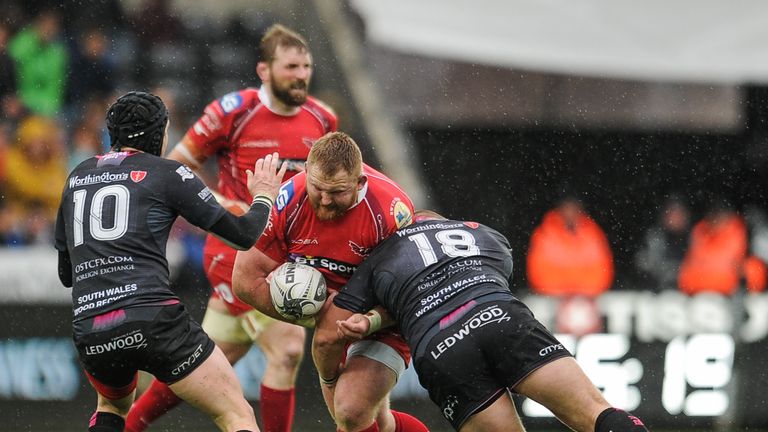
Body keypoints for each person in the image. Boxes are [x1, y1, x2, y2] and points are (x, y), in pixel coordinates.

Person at [126, 24, 338, 432]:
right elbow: (178, 164)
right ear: (264, 70)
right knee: (290, 349)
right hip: (235, 253)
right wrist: (229, 208)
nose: (301, 75)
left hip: (285, 254)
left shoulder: (322, 118)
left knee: (200, 370)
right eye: (291, 66)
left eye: (306, 66)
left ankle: (130, 424)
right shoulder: (233, 111)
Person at [54, 91, 287, 432]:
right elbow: (242, 234)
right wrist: (265, 195)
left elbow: (65, 274)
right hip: (154, 319)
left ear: (112, 134)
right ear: (160, 135)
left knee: (112, 405)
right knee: (235, 414)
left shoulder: (77, 176)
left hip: (92, 326)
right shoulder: (166, 173)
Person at [320, 210, 649, 432]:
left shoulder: (381, 256)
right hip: (500, 316)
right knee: (597, 413)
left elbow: (335, 326)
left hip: (440, 346)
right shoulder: (482, 233)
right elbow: (497, 274)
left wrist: (370, 325)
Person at [232, 132, 428, 432]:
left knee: (350, 411)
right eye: (318, 188)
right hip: (329, 324)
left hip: (382, 317)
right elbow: (245, 281)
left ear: (360, 182)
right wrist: (312, 312)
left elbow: (409, 294)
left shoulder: (390, 213)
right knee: (376, 421)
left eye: (336, 192)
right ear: (306, 172)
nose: (324, 200)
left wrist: (367, 320)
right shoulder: (288, 199)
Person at [678, 198, 766, 295]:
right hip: (700, 293)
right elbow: (686, 273)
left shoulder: (742, 233)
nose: (716, 218)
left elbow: (754, 271)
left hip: (732, 295)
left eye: (720, 214)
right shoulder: (700, 233)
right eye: (713, 213)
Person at [634, 194, 691, 292]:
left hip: (688, 291)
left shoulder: (695, 236)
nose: (674, 218)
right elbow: (643, 262)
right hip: (659, 291)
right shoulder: (655, 237)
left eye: (678, 213)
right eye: (671, 213)